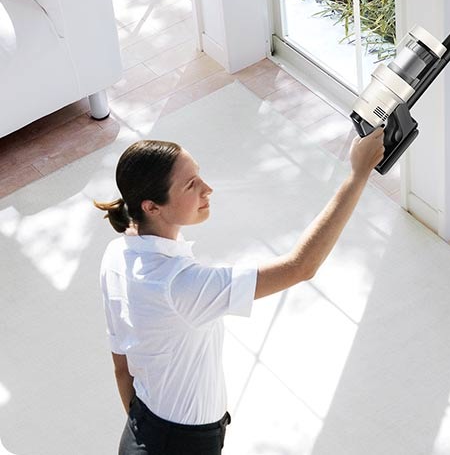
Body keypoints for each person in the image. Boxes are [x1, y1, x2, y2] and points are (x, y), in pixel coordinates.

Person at [94, 127, 385, 454]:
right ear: (151, 207)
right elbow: (300, 266)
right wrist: (358, 175)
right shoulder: (181, 285)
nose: (208, 189)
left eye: (199, 176)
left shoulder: (116, 256)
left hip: (145, 430)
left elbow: (122, 367)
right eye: (191, 185)